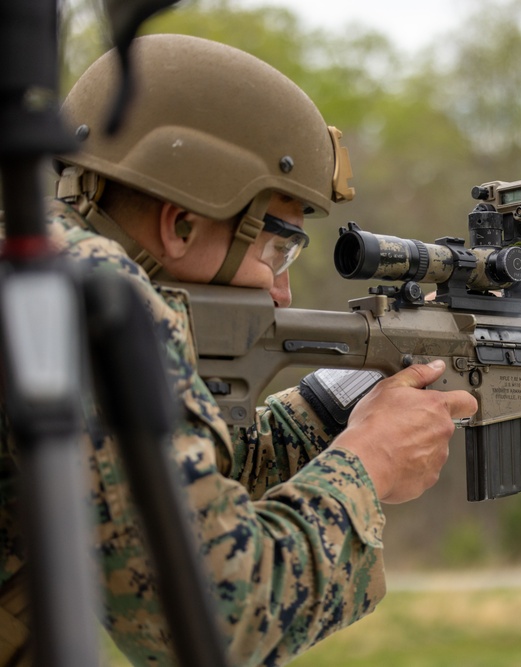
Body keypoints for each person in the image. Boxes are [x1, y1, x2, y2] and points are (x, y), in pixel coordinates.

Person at [0, 33, 478, 666]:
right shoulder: (93, 304)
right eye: (276, 249)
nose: (282, 290)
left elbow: (173, 475)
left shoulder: (40, 268)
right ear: (182, 223)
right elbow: (218, 617)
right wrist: (368, 464)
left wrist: (345, 399)